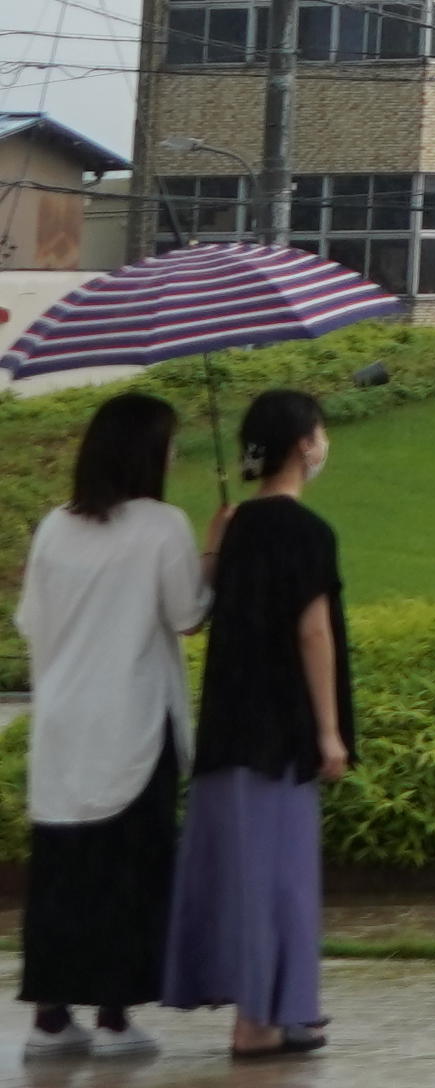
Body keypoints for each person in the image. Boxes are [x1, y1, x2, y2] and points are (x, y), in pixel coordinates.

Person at [157, 391, 349, 1062]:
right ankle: (261, 1020)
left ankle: (273, 1009)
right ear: (304, 445)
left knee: (239, 871)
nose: (324, 443)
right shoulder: (309, 532)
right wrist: (329, 731)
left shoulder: (236, 529)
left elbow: (191, 617)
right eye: (319, 433)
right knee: (282, 874)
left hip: (228, 727)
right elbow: (314, 632)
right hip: (282, 731)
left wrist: (213, 549)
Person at [22, 393, 201, 1058]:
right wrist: (212, 558)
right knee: (129, 871)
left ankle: (49, 1017)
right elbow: (188, 613)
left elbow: (32, 624)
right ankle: (115, 1019)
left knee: (64, 872)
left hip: (64, 726)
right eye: (169, 443)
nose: (177, 454)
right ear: (146, 453)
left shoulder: (54, 528)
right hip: (133, 725)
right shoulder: (163, 526)